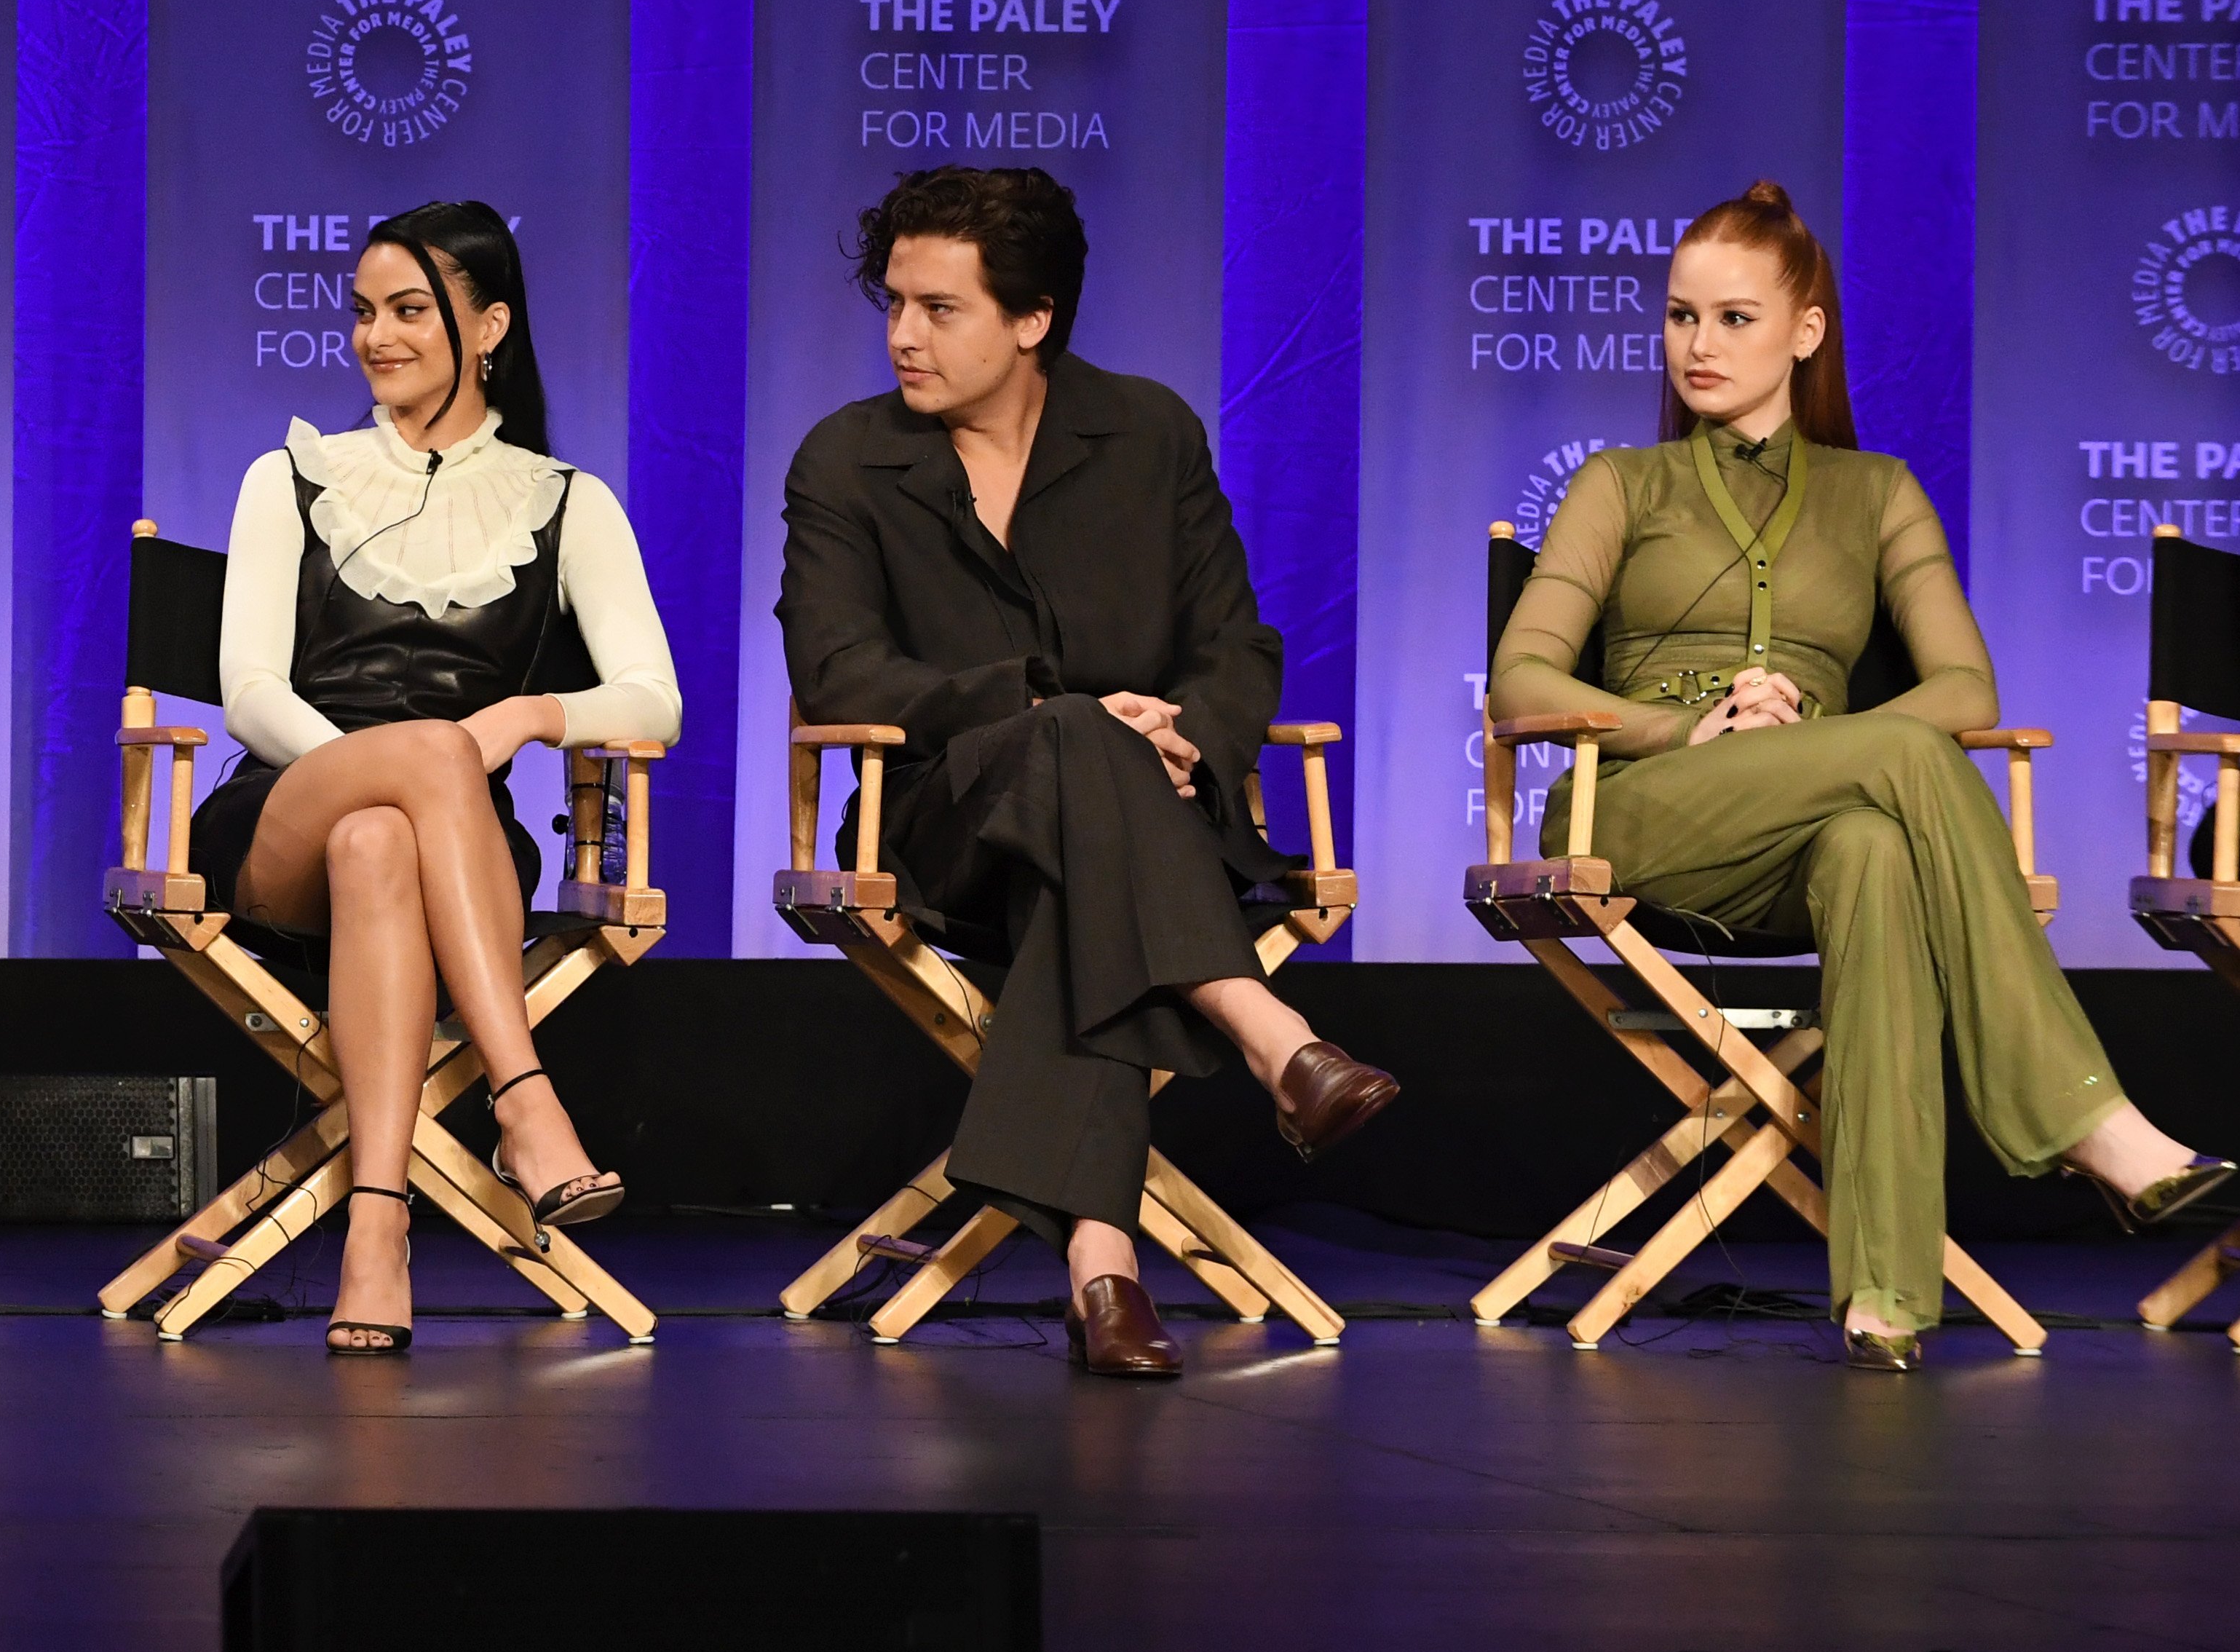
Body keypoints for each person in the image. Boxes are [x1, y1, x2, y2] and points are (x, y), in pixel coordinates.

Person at [1492, 181, 2228, 1370]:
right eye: (1681, 316)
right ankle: (2085, 1116)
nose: (1697, 345)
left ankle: (1884, 1292)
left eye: (1733, 318)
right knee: (1897, 752)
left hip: (1811, 820)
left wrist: (1798, 727)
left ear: (1806, 329)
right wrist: (1695, 728)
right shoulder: (1618, 483)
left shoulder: (1877, 491)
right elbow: (1520, 686)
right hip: (1641, 807)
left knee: (1876, 847)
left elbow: (1964, 692)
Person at [779, 165, 1400, 1380]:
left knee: (1084, 839)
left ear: (1031, 317)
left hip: (1151, 823)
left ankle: (1101, 1267)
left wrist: (1187, 743)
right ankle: (1267, 1029)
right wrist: (1034, 704)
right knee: (1069, 732)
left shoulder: (1147, 432)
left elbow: (1235, 645)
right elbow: (840, 671)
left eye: (938, 308)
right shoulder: (846, 460)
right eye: (893, 302)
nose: (902, 334)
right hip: (944, 827)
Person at [192, 200, 681, 1355]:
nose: (374, 337)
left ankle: (376, 1232)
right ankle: (526, 1099)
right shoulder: (292, 475)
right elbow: (249, 689)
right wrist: (387, 766)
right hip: (282, 809)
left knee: (386, 841)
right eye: (362, 311)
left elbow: (653, 697)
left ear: (490, 325)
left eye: (409, 310)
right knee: (391, 791)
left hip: (445, 849)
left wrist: (524, 714)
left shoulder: (565, 501)